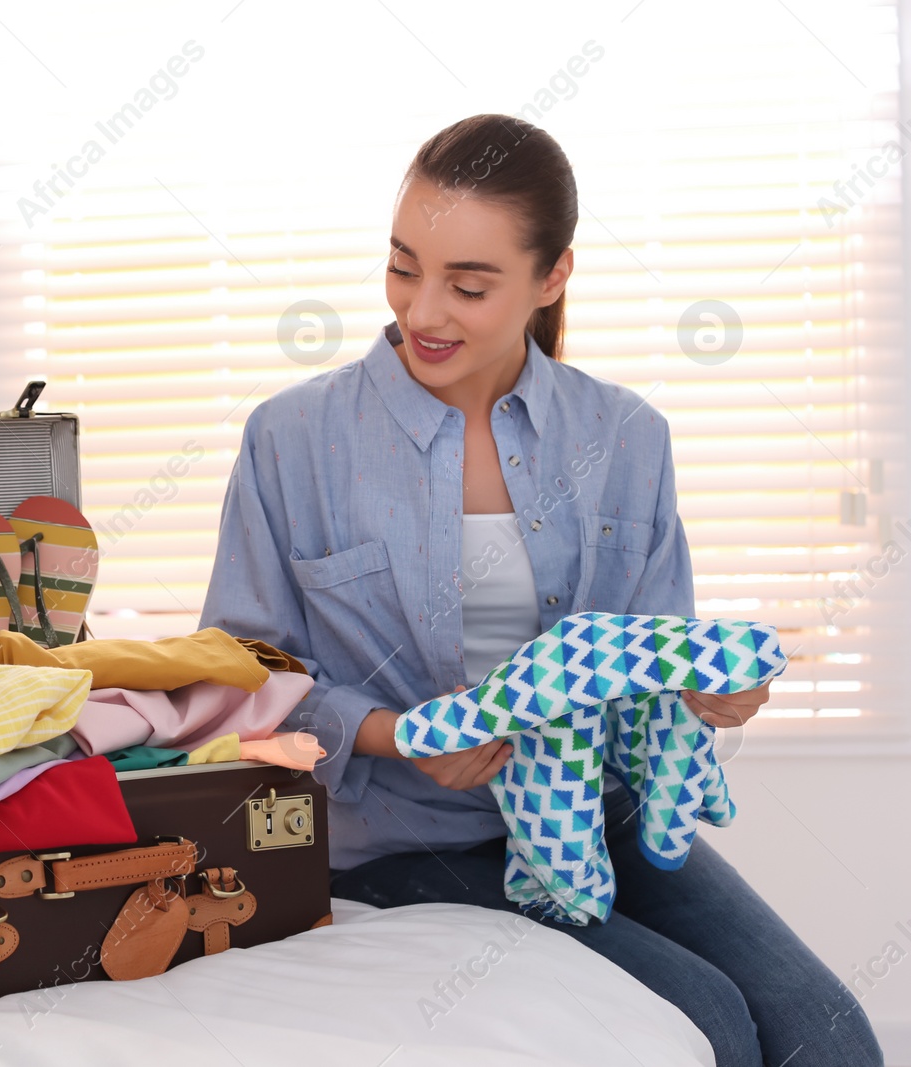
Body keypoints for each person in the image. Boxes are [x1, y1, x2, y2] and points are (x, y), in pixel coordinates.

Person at [198, 113, 883, 1067]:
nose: (423, 311)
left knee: (832, 1035)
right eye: (404, 268)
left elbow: (653, 655)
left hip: (599, 814)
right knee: (708, 1021)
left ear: (551, 276)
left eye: (468, 285)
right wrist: (394, 735)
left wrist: (709, 692)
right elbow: (238, 676)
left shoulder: (625, 435)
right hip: (405, 842)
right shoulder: (294, 439)